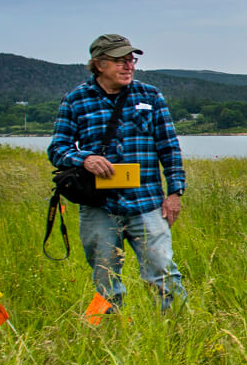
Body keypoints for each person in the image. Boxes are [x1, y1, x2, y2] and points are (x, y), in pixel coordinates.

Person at [49, 33, 187, 311]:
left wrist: (175, 192)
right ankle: (109, 337)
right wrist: (84, 159)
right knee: (105, 280)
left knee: (164, 273)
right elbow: (57, 149)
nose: (128, 66)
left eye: (130, 60)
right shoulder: (76, 99)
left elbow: (169, 147)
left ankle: (178, 334)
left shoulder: (150, 95)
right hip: (99, 207)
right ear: (99, 64)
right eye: (119, 61)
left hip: (147, 203)